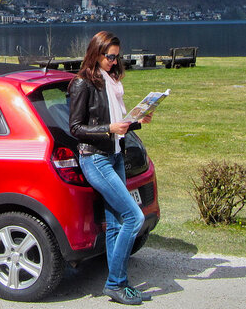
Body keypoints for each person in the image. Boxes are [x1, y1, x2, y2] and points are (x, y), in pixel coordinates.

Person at [69, 31, 153, 305]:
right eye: (110, 56)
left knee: (116, 222)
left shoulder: (111, 82)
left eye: (117, 57)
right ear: (96, 53)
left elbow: (117, 121)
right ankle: (116, 283)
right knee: (134, 217)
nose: (114, 62)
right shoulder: (83, 84)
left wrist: (139, 121)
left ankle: (117, 283)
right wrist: (109, 129)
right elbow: (76, 128)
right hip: (95, 158)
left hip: (114, 155)